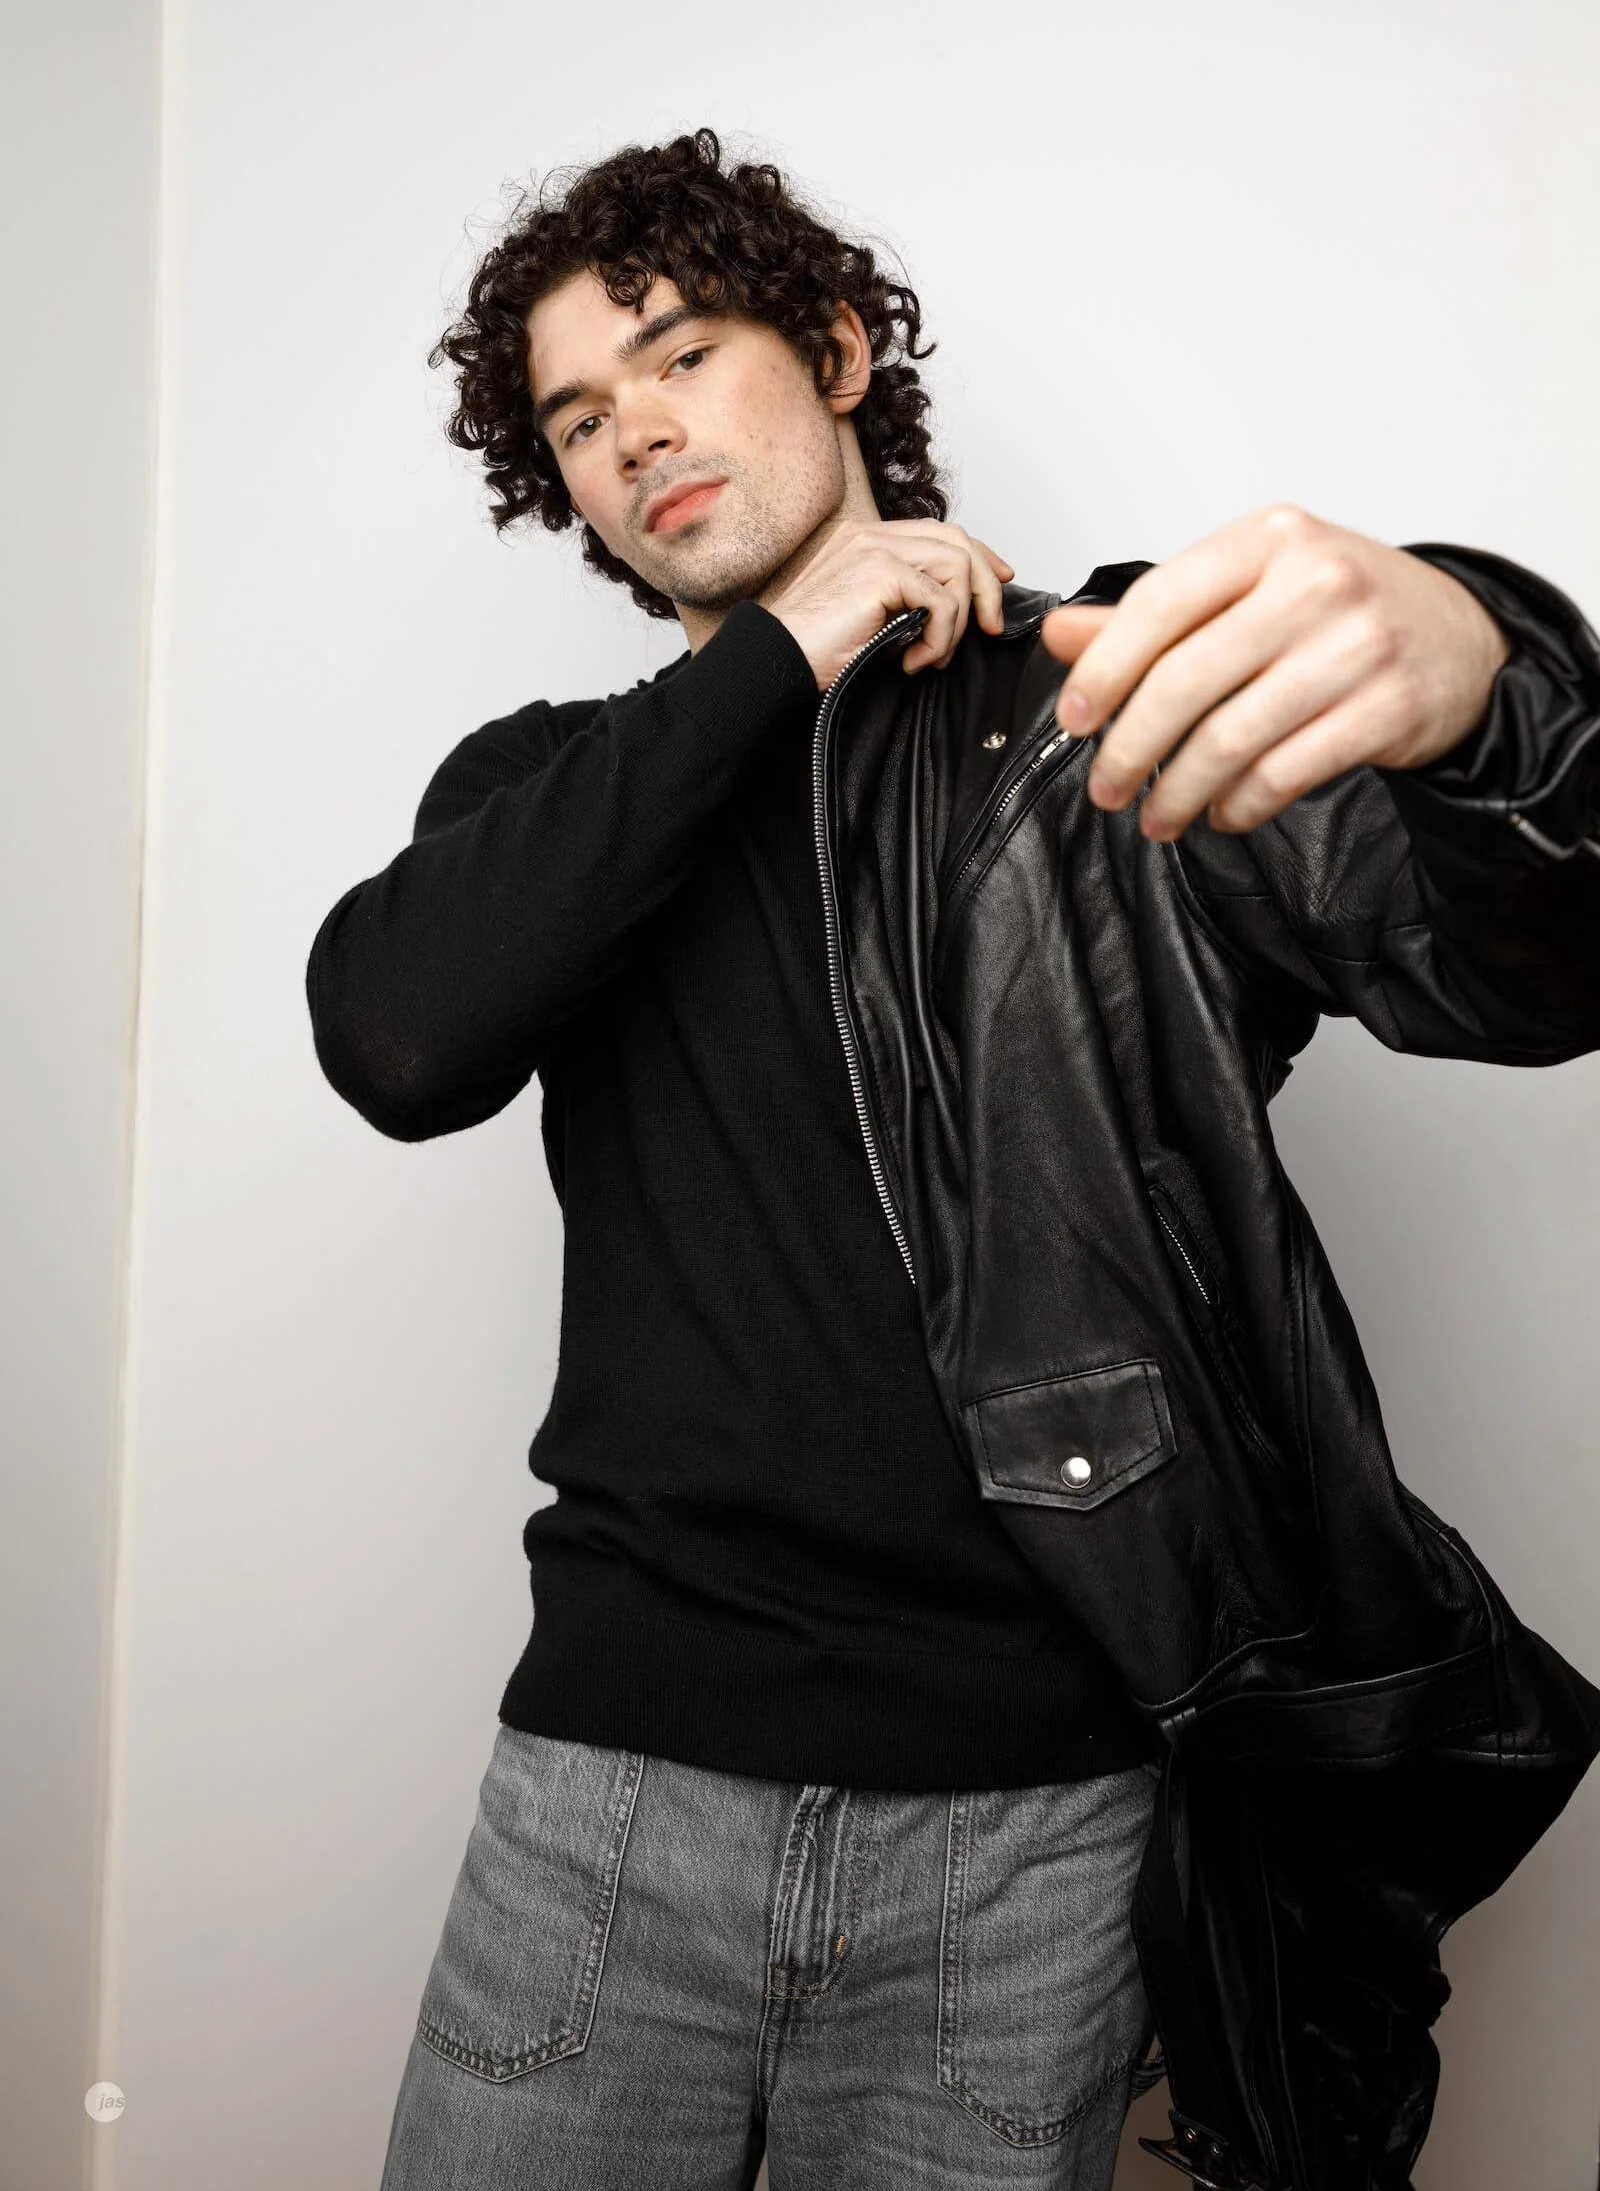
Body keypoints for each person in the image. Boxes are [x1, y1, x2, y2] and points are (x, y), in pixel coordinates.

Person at [305, 128, 1600, 2191]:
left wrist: (1486, 687)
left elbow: (1527, 968)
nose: (632, 431)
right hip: (612, 1806)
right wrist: (784, 647)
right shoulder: (549, 785)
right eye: (574, 416)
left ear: (829, 349)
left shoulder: (1112, 705)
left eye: (679, 351)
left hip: (1030, 1841)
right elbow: (394, 1035)